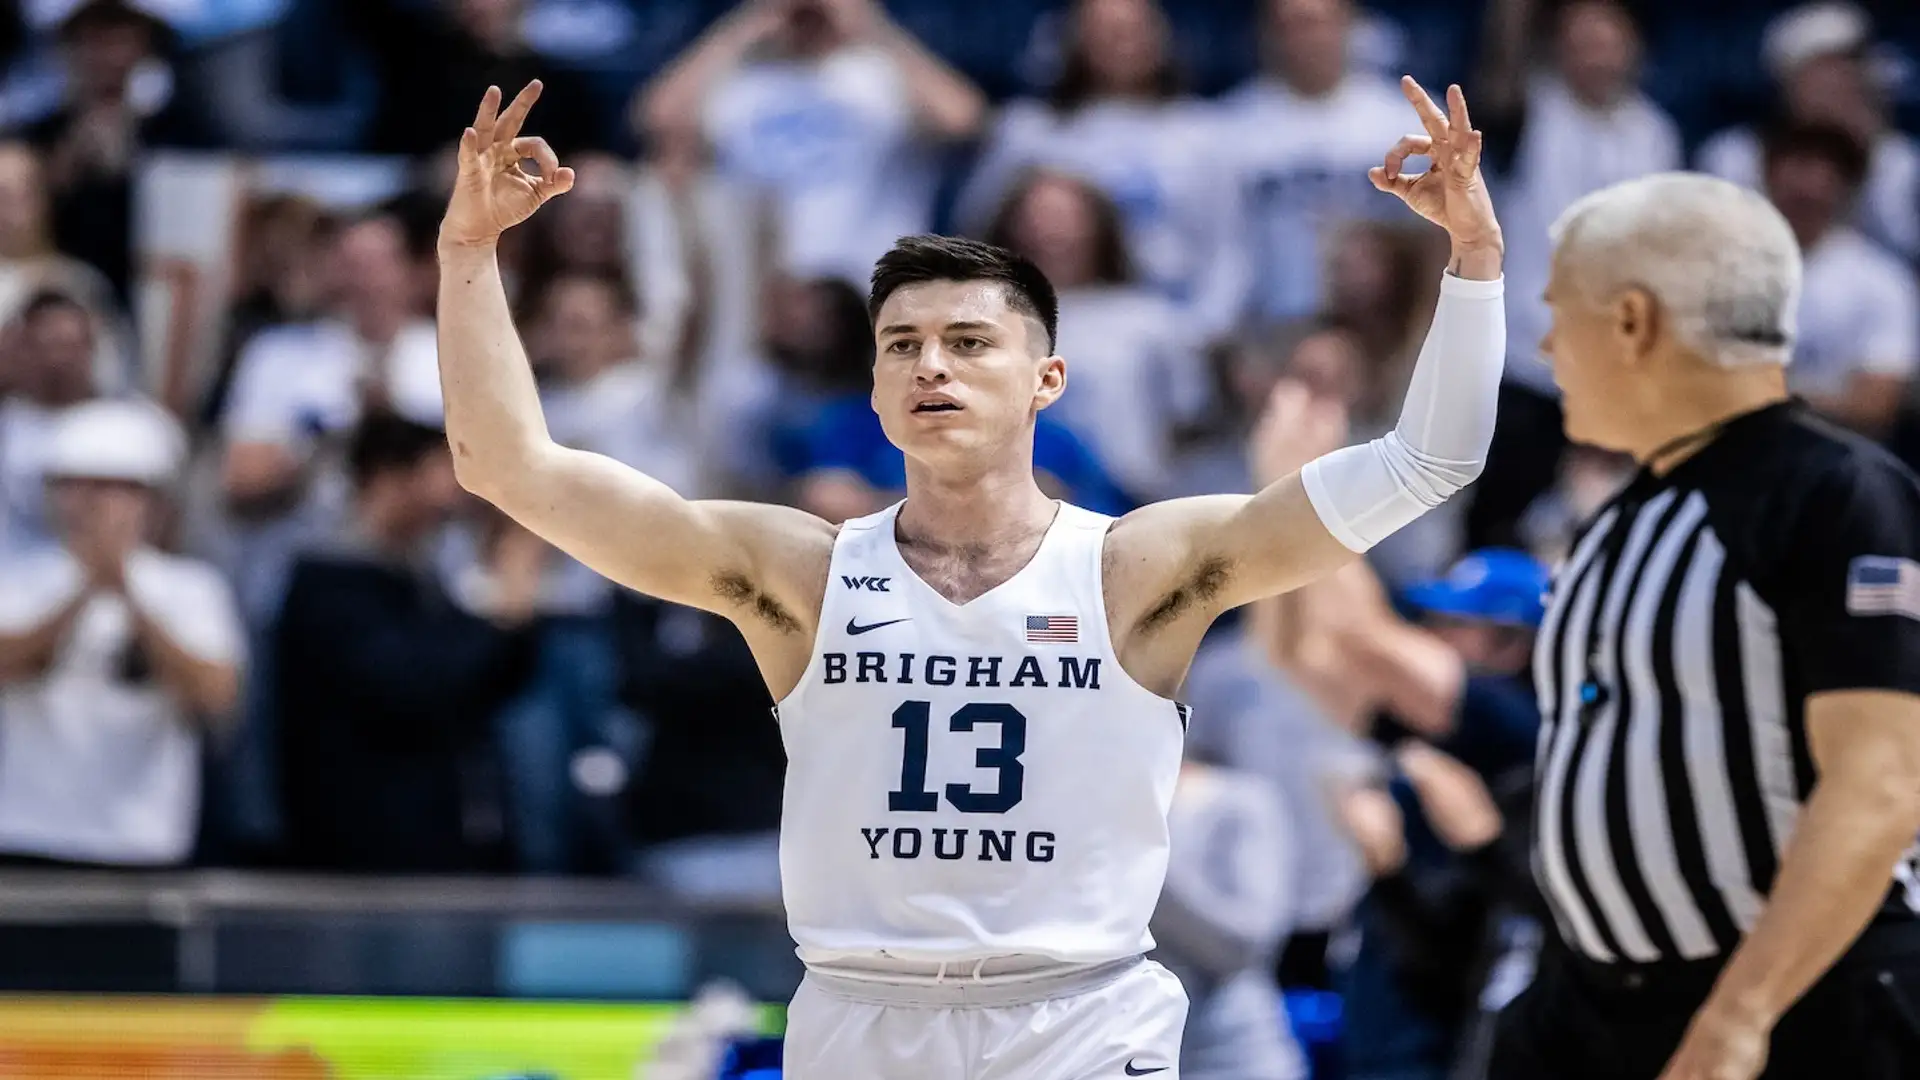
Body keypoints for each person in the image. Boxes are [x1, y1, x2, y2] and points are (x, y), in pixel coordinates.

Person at [435, 77, 1505, 1078]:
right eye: (900, 345)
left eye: (965, 341)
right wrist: (470, 249)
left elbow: (1428, 463)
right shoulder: (799, 571)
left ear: (1047, 379)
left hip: (1081, 1018)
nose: (929, 366)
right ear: (872, 383)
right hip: (862, 1017)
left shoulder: (1137, 567)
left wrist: (1471, 260)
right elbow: (505, 467)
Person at [1486, 171, 1920, 1080]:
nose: (1547, 343)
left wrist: (1739, 1016)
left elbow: (1884, 779)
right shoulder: (1621, 513)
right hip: (1593, 1009)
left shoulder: (1838, 492)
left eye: (1560, 311)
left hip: (1794, 1018)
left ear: (1634, 322)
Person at [0, 398, 241, 868]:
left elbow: (215, 697)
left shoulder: (193, 589)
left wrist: (127, 594)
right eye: (77, 487)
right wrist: (83, 591)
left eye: (116, 489)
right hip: (27, 833)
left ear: (153, 501)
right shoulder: (15, 579)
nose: (93, 504)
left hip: (143, 841)